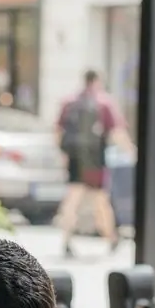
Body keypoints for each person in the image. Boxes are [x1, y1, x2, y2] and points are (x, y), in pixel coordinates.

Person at [56, 69, 130, 258]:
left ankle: (66, 240)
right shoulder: (104, 102)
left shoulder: (69, 102)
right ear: (98, 81)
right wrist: (131, 151)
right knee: (101, 201)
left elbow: (57, 131)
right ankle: (111, 238)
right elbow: (117, 132)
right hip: (96, 160)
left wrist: (64, 155)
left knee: (72, 201)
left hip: (76, 159)